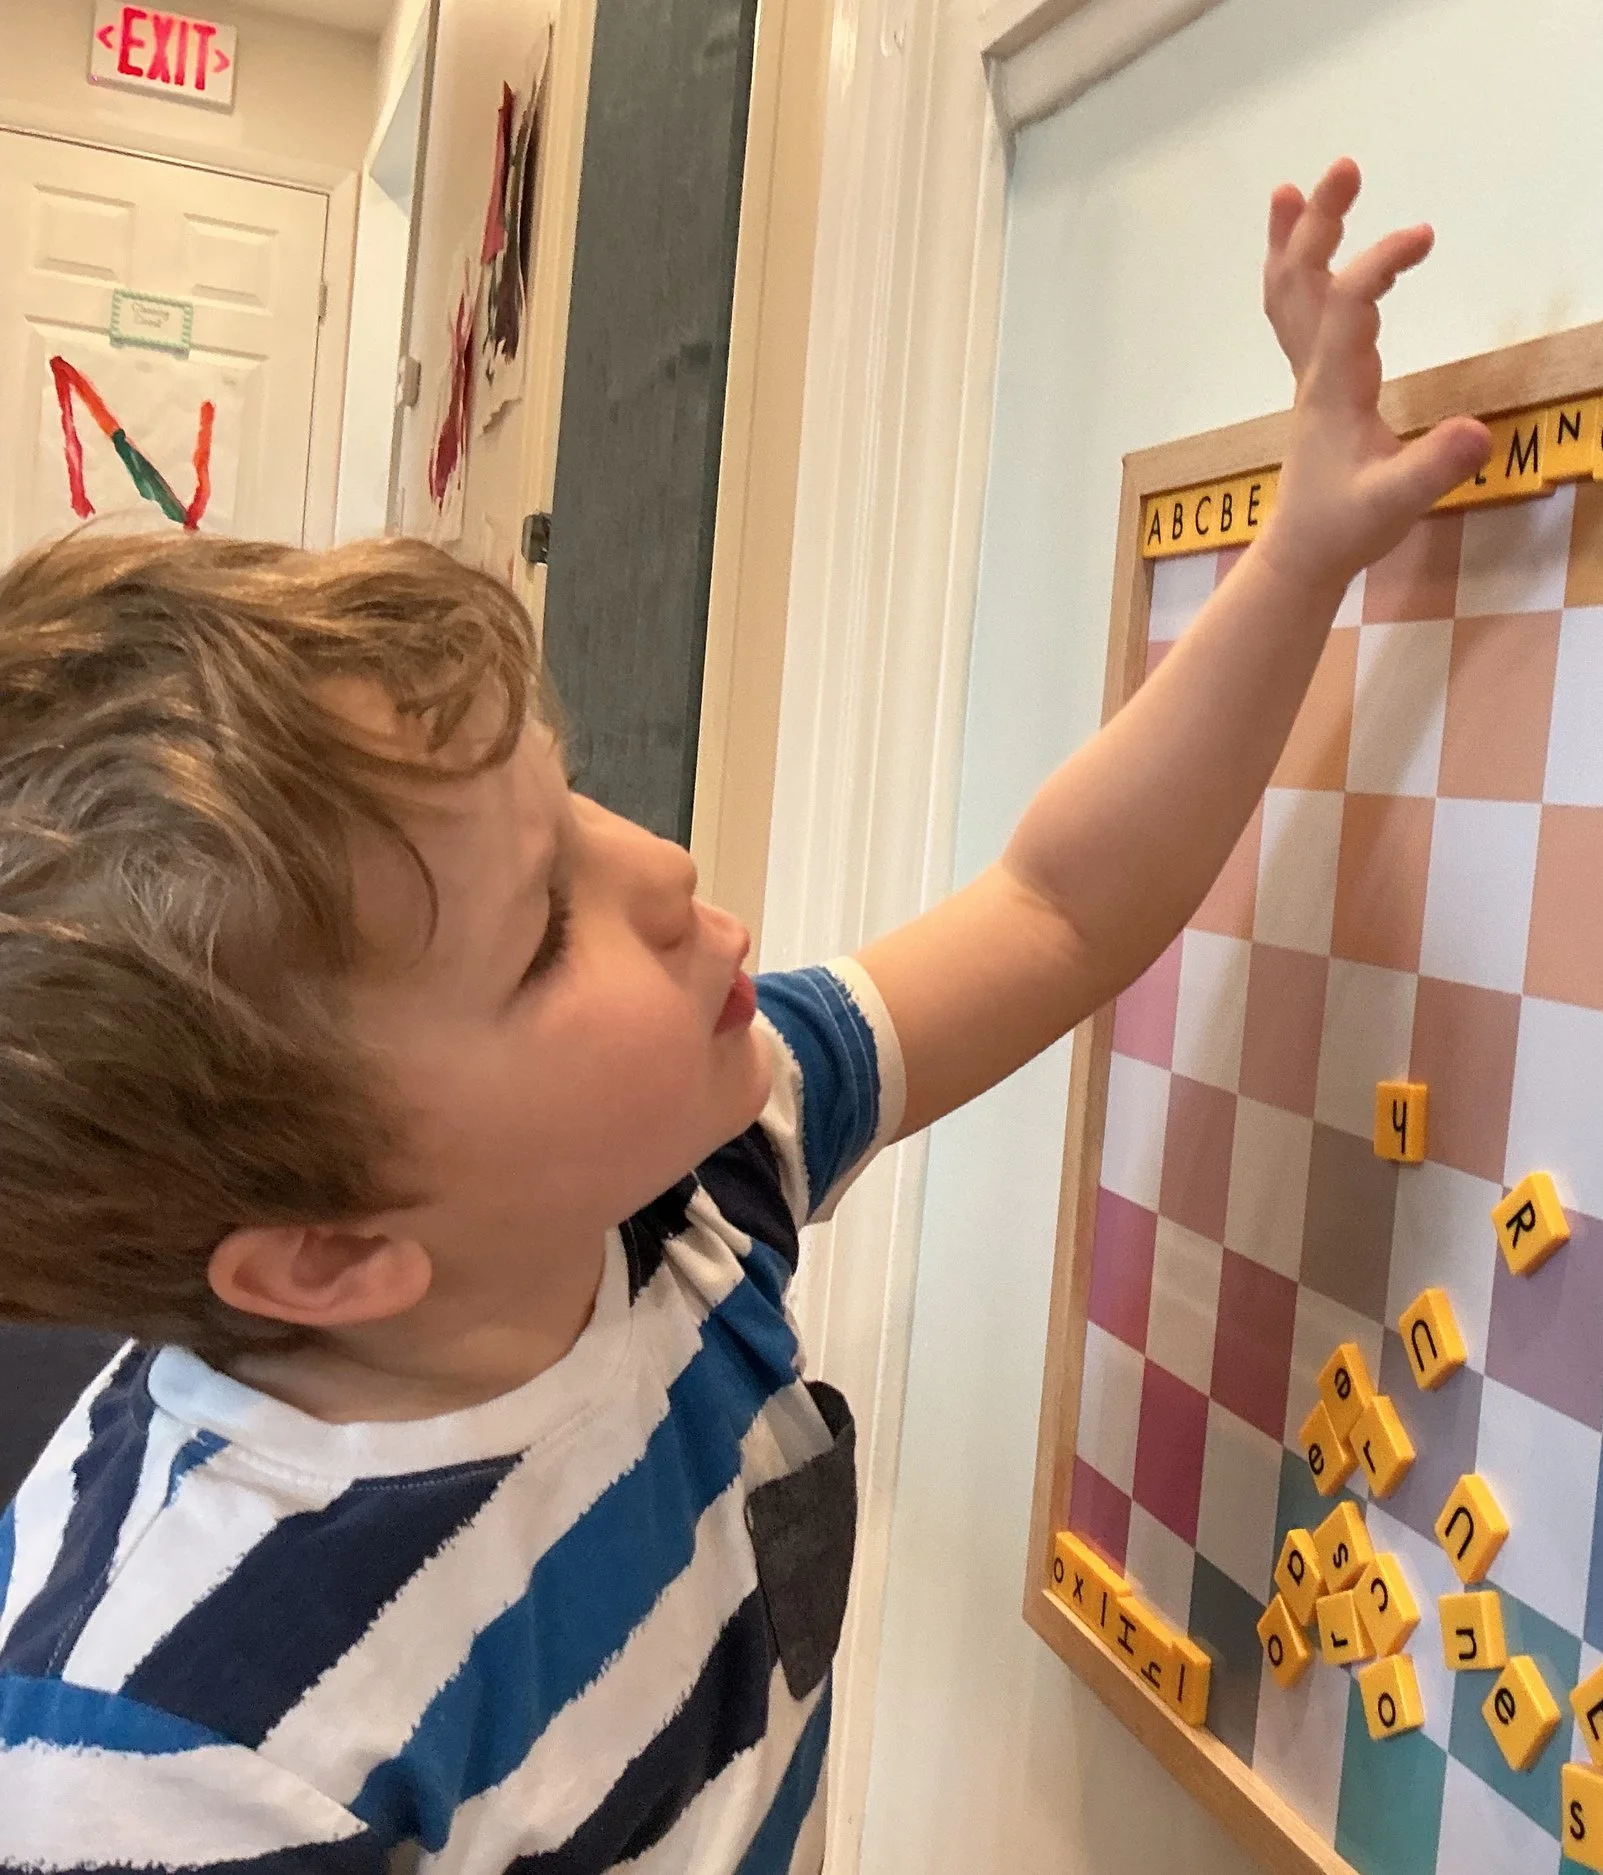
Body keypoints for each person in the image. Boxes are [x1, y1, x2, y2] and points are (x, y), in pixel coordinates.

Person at [0, 161, 1486, 1869]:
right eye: (545, 926)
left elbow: (1053, 909)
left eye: (575, 803)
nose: (666, 864)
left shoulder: (688, 1176)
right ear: (337, 1253)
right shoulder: (164, 1756)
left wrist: (1300, 554)